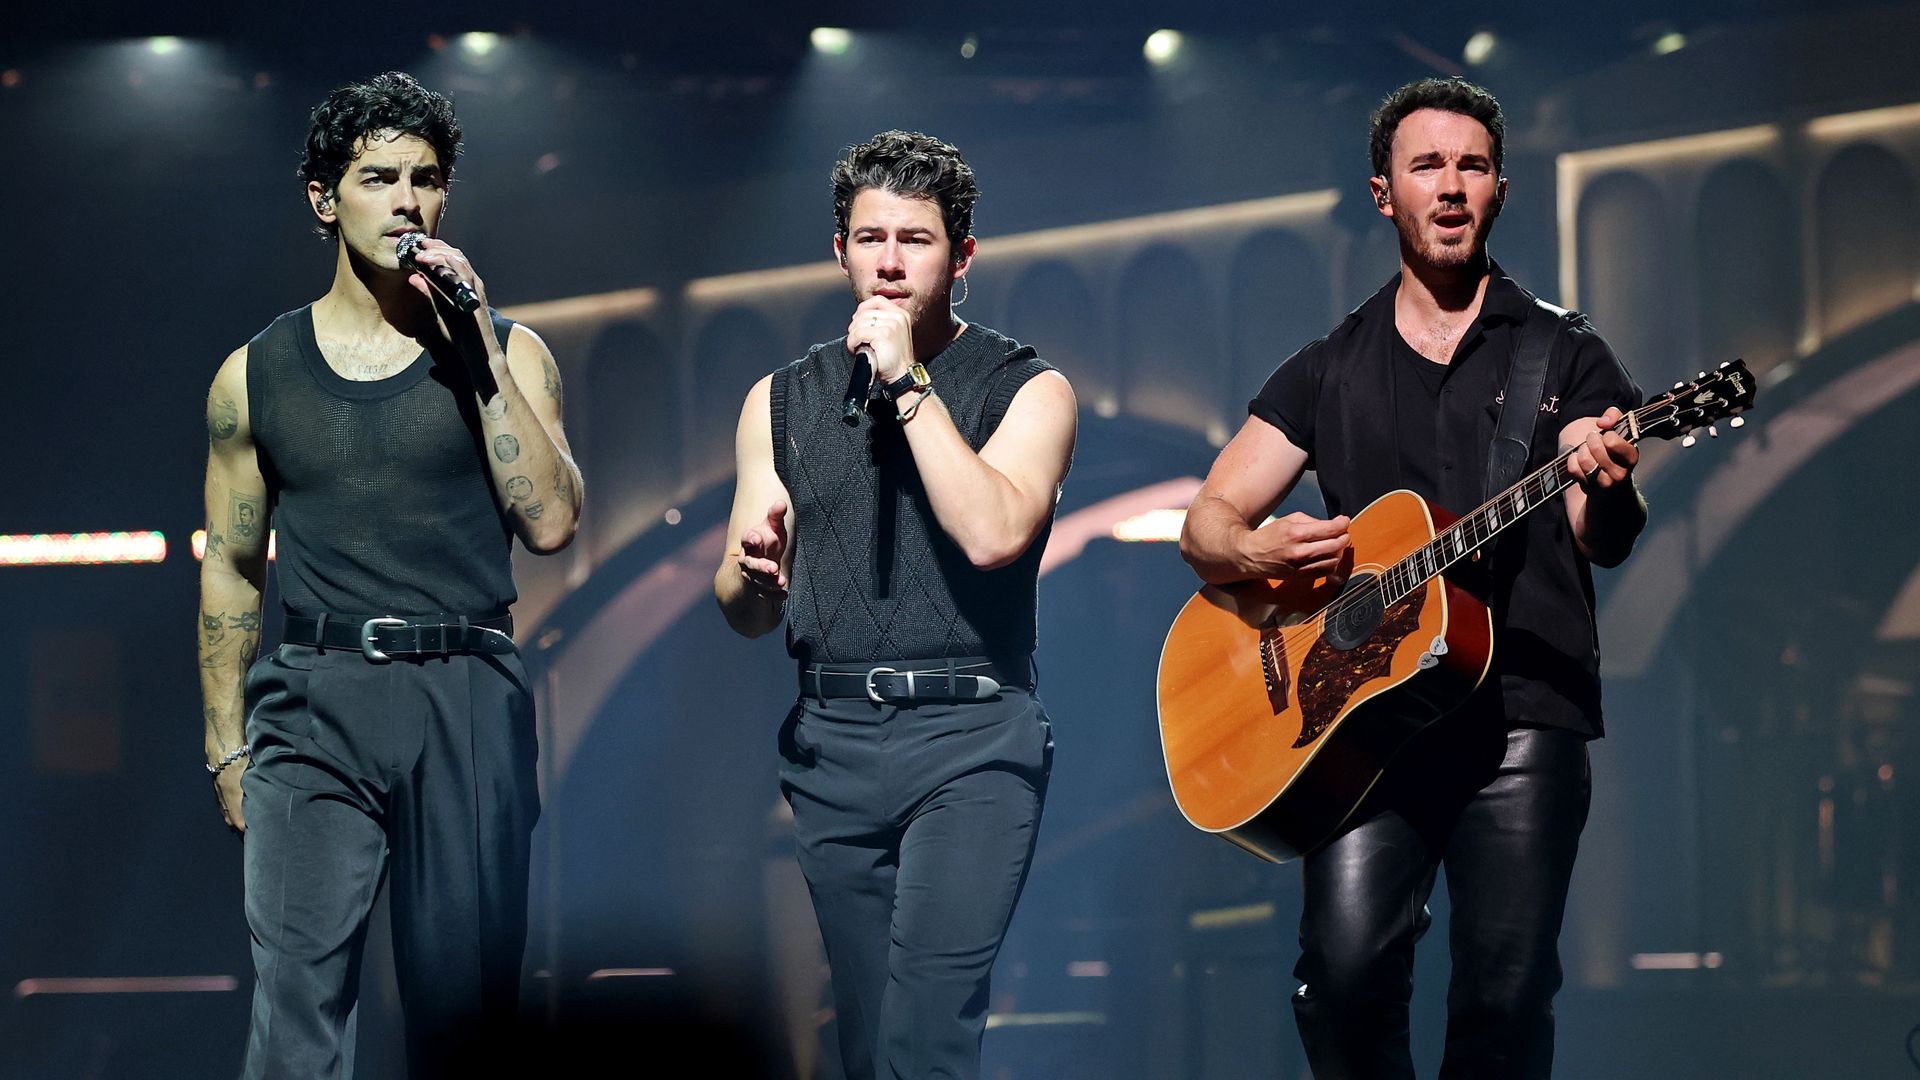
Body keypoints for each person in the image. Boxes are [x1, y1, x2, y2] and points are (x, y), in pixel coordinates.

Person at [1179, 77, 1645, 1079]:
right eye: (1426, 165)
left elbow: (1603, 539)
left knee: (1505, 996)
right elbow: (1207, 526)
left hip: (1523, 715)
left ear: (1499, 191)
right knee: (1341, 981)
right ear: (1384, 193)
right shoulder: (1327, 367)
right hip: (1361, 724)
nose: (1450, 186)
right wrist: (1259, 552)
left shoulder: (1567, 357)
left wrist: (1605, 482)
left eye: (1471, 166)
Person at [198, 70, 582, 1078]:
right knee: (296, 1007)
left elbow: (548, 523)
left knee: (464, 1014)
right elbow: (234, 567)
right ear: (325, 198)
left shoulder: (509, 352)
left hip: (465, 693)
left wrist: (480, 343)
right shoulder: (256, 374)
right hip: (315, 700)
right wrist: (227, 746)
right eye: (378, 178)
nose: (407, 202)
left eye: (425, 179)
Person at [715, 130, 1077, 1079]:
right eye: (868, 238)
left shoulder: (1028, 389)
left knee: (927, 1036)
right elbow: (742, 609)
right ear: (838, 250)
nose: (887, 262)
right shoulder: (780, 401)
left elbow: (995, 533)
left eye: (914, 240)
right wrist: (751, 574)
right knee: (869, 1042)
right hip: (831, 741)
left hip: (972, 740)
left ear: (962, 258)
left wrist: (908, 381)